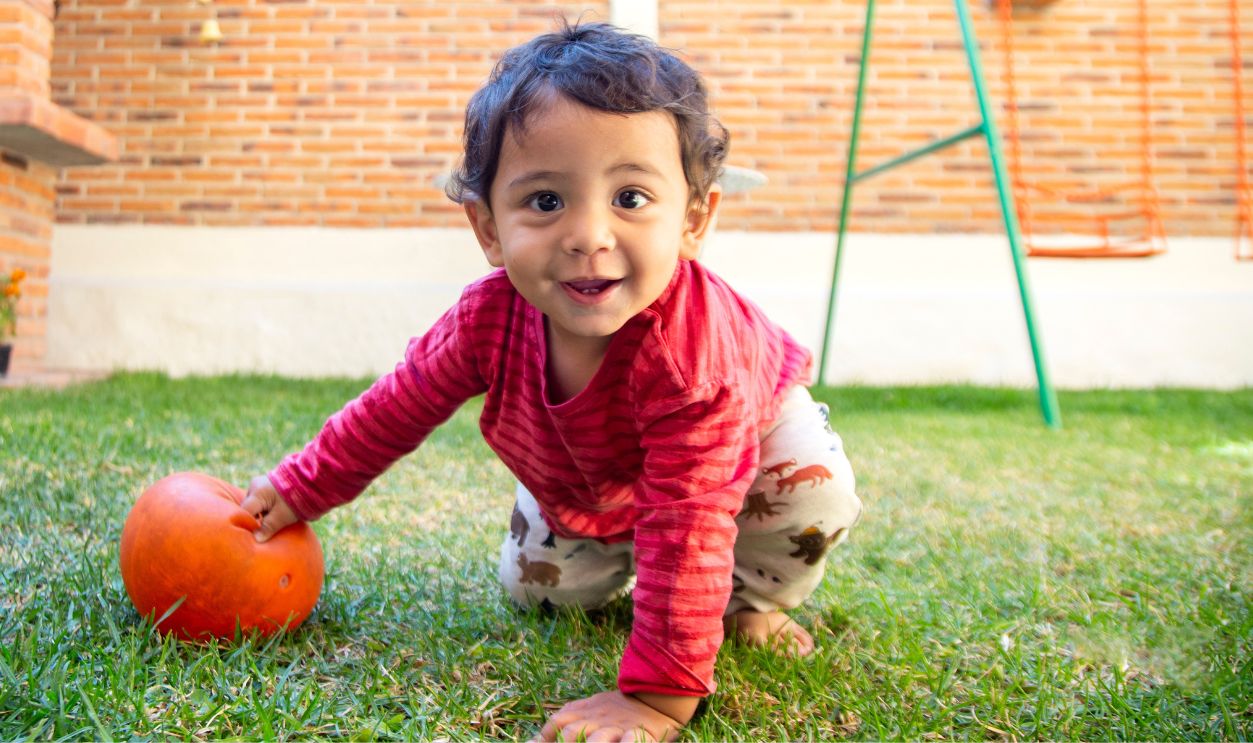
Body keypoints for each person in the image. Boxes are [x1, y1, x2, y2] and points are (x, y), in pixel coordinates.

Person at [240, 21, 861, 742]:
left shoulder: (693, 357)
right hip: (589, 470)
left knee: (809, 490)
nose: (587, 234)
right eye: (544, 201)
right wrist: (295, 488)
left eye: (630, 198)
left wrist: (658, 698)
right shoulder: (485, 319)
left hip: (745, 455)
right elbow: (393, 409)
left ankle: (747, 599)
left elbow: (689, 518)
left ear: (694, 220)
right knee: (540, 593)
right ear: (488, 229)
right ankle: (611, 540)